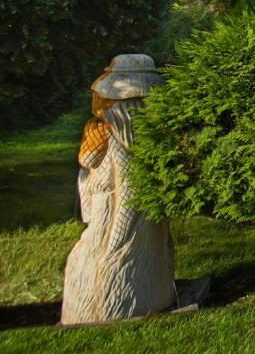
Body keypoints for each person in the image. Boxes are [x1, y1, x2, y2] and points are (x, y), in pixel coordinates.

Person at [61, 54, 176, 324]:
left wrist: (117, 238)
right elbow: (88, 164)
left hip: (116, 213)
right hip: (114, 207)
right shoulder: (117, 130)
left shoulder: (120, 136)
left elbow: (128, 186)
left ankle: (115, 303)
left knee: (103, 263)